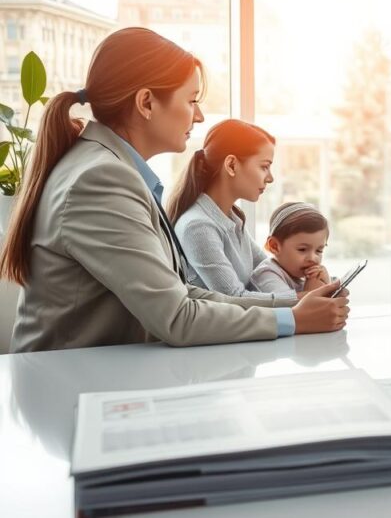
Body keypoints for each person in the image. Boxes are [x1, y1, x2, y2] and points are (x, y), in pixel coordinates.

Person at [0, 27, 349, 352]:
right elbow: (177, 317)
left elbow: (180, 294)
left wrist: (296, 304)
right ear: (147, 103)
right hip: (66, 392)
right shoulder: (101, 179)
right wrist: (294, 320)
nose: (198, 117)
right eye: (192, 100)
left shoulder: (106, 167)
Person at [168, 119, 307, 301]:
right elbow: (234, 298)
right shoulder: (198, 226)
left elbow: (267, 269)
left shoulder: (233, 219)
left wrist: (319, 283)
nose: (270, 178)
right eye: (264, 166)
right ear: (232, 165)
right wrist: (303, 298)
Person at [251, 202, 332, 294]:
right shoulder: (266, 273)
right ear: (274, 246)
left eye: (319, 250)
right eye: (302, 249)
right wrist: (312, 292)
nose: (313, 258)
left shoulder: (301, 275)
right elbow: (286, 305)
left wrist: (326, 284)